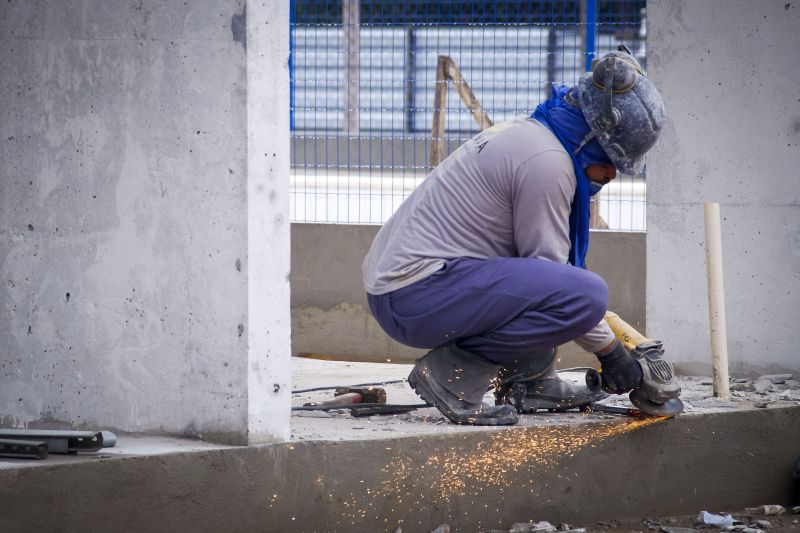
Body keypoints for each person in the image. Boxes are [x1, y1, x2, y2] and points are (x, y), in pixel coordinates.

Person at [362, 46, 666, 425]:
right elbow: (556, 280)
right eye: (612, 161)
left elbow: (537, 277)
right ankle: (451, 378)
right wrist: (613, 354)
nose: (612, 176)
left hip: (410, 287)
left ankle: (531, 381)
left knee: (555, 283)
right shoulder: (548, 164)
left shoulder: (537, 133)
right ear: (591, 138)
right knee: (585, 294)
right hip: (414, 295)